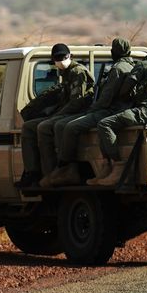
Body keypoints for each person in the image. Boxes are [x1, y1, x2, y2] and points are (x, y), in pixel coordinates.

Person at [36, 38, 137, 188]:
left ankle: (65, 166)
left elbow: (106, 97)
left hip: (111, 109)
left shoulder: (118, 69)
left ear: (113, 52)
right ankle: (102, 167)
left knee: (69, 127)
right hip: (117, 109)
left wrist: (93, 109)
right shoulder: (132, 66)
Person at [84, 43, 147, 187]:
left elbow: (125, 91)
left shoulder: (145, 65)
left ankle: (118, 168)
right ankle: (109, 171)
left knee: (105, 124)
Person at [17, 43, 93, 186]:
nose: (60, 61)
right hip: (67, 112)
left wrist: (56, 115)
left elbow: (77, 103)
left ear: (69, 56)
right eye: (57, 59)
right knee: (28, 127)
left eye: (63, 57)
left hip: (79, 112)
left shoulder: (77, 72)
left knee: (44, 127)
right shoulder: (66, 74)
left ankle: (54, 173)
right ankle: (32, 172)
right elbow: (59, 94)